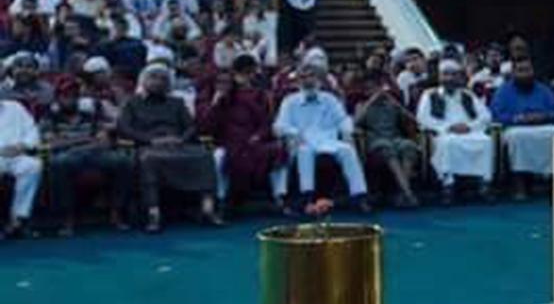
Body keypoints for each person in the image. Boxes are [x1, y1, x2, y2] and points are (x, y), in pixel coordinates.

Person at [116, 64, 222, 232]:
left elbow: (191, 127)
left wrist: (181, 139)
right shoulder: (132, 103)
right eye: (153, 77)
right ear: (144, 81)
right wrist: (151, 140)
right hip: (149, 146)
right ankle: (153, 213)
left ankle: (207, 209)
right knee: (149, 160)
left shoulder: (176, 103)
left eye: (163, 79)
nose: (158, 82)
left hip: (177, 145)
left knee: (204, 156)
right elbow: (125, 129)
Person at [273, 60, 372, 212]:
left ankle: (359, 195)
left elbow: (343, 119)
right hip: (302, 141)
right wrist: (294, 133)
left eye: (311, 76)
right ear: (298, 81)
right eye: (304, 77)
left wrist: (347, 131)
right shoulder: (290, 101)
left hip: (328, 140)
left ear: (318, 79)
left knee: (347, 150)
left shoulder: (329, 99)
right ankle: (307, 196)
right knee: (304, 151)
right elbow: (280, 125)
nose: (308, 81)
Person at [43, 80, 130, 235]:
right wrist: (85, 140)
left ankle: (116, 212)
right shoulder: (50, 116)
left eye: (74, 95)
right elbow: (52, 143)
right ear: (58, 98)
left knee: (122, 161)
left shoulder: (91, 114)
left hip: (94, 153)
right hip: (67, 155)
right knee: (58, 163)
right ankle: (67, 217)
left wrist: (74, 143)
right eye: (65, 96)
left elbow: (104, 141)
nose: (70, 99)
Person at [201, 55, 287, 209]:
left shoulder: (252, 96)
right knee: (220, 156)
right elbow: (206, 127)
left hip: (251, 140)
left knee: (279, 151)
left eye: (226, 82)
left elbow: (265, 122)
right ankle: (221, 199)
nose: (223, 86)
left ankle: (279, 197)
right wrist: (215, 103)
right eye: (220, 82)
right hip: (224, 141)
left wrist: (258, 136)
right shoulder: (214, 98)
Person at [417, 59, 496, 203]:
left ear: (459, 77)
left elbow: (486, 116)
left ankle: (484, 184)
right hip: (444, 133)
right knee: (448, 143)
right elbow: (423, 118)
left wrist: (469, 127)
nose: (449, 78)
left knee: (485, 141)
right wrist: (448, 127)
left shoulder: (468, 95)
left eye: (453, 75)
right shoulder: (429, 95)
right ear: (439, 77)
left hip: (469, 131)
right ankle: (448, 185)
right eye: (445, 74)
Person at [489, 56, 554, 200]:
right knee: (517, 137)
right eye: (521, 71)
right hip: (517, 127)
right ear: (513, 73)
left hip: (543, 124)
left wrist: (544, 116)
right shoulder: (503, 91)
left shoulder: (542, 89)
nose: (525, 74)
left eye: (528, 70)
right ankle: (520, 183)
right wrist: (518, 118)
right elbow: (497, 114)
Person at [354, 80, 422, 207]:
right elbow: (356, 122)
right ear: (367, 92)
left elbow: (414, 120)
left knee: (409, 147)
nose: (378, 92)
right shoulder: (362, 105)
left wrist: (396, 103)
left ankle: (402, 192)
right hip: (376, 140)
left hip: (395, 138)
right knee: (388, 150)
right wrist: (372, 101)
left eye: (378, 89)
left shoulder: (391, 104)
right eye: (372, 90)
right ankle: (408, 193)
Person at [0, 96, 41, 238]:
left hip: (17, 154)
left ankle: (18, 217)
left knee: (32, 166)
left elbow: (32, 130)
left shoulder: (15, 107)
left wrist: (23, 146)